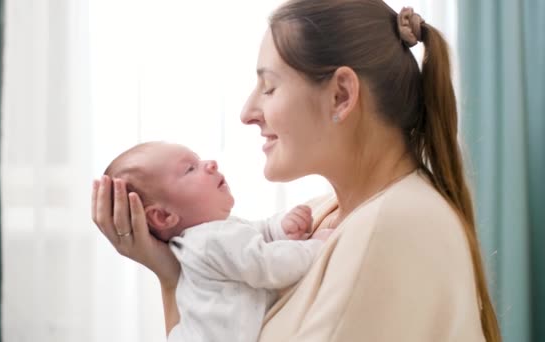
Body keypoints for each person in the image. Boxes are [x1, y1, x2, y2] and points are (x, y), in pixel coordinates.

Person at [92, 0, 502, 340]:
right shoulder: (329, 213)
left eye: (269, 87)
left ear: (341, 95)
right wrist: (170, 272)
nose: (247, 113)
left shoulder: (392, 228)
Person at [101, 141, 333, 341]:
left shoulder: (211, 237)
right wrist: (316, 247)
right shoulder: (208, 243)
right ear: (163, 216)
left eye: (199, 160)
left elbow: (254, 233)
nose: (210, 163)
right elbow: (268, 264)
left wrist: (280, 227)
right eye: (190, 169)